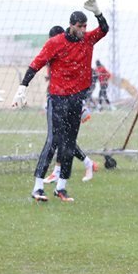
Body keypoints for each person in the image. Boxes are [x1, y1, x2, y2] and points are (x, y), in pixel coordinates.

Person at [13, 0, 108, 203]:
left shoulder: (88, 40)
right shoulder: (55, 42)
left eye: (85, 26)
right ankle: (38, 187)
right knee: (54, 141)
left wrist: (98, 13)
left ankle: (61, 188)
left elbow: (105, 29)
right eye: (80, 26)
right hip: (57, 99)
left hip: (76, 100)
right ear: (71, 25)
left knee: (69, 144)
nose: (83, 30)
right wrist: (23, 86)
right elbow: (36, 64)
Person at [32, 25, 99, 195]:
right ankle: (64, 172)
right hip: (59, 99)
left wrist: (81, 104)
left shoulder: (66, 49)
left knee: (59, 139)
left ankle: (82, 165)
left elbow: (77, 78)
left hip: (67, 101)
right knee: (61, 139)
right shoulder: (55, 51)